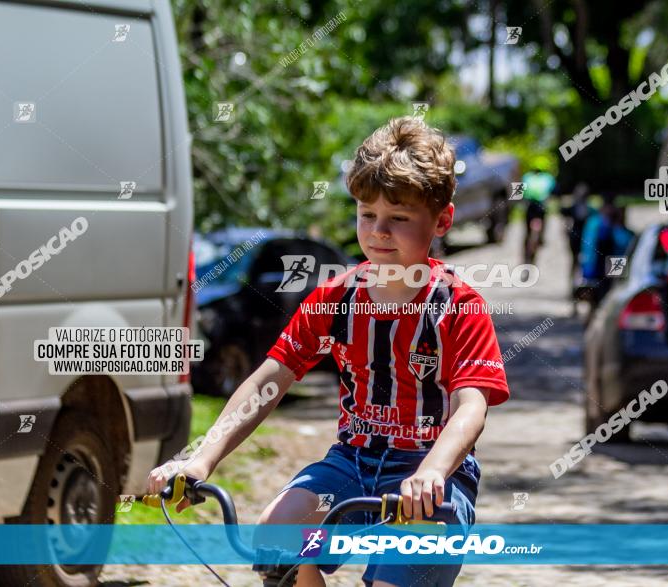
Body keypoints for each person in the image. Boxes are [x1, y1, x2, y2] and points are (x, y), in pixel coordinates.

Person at [146, 116, 511, 587]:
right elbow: (269, 380)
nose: (379, 231)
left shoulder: (457, 306)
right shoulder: (336, 298)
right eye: (366, 215)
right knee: (277, 539)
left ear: (442, 220)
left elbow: (472, 408)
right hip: (351, 465)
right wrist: (201, 458)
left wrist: (432, 472)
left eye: (399, 219)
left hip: (429, 474)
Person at [520, 162, 556, 256]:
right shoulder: (548, 178)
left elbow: (519, 192)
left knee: (528, 227)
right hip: (541, 205)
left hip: (529, 204)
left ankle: (528, 237)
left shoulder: (526, 176)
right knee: (542, 221)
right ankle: (540, 238)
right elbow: (553, 191)